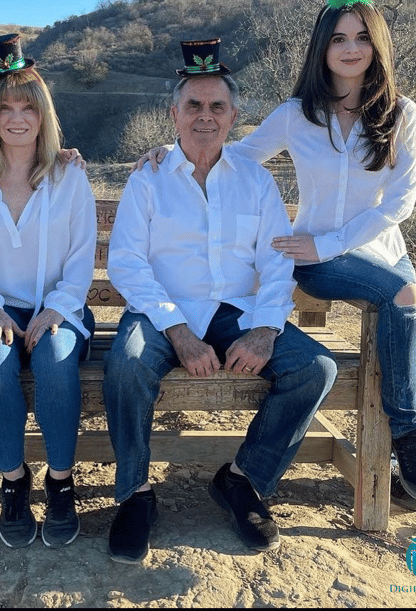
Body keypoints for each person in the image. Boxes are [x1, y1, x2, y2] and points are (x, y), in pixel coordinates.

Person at [137, 0, 416, 511]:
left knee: (405, 292)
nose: (350, 49)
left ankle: (407, 438)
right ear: (321, 48)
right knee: (403, 296)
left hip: (377, 252)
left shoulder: (403, 115)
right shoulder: (296, 114)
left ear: (377, 46)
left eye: (361, 38)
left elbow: (400, 203)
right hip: (313, 256)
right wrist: (174, 149)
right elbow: (233, 151)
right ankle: (407, 434)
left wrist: (332, 242)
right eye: (338, 39)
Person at [103, 39, 337, 563]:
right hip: (160, 310)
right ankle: (135, 494)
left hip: (235, 312)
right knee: (127, 365)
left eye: (216, 107)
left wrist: (267, 328)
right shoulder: (148, 179)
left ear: (234, 115)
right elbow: (127, 264)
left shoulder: (255, 180)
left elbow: (277, 260)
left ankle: (242, 479)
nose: (205, 117)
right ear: (174, 113)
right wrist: (177, 330)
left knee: (314, 368)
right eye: (193, 105)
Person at [0, 34, 96, 549]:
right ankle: (14, 480)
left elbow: (81, 259)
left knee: (56, 358)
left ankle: (60, 480)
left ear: (43, 114)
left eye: (27, 107)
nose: (17, 118)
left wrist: (56, 307)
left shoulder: (69, 177)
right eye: (6, 107)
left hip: (60, 306)